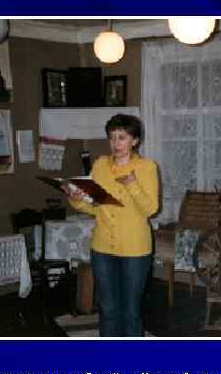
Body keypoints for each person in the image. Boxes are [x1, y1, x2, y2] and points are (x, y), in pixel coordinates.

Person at [63, 114, 159, 337]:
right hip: (102, 248)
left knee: (131, 310)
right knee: (107, 309)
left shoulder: (146, 167)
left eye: (121, 137)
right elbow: (95, 207)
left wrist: (133, 185)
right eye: (112, 137)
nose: (116, 143)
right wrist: (76, 198)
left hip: (135, 250)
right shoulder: (100, 166)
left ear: (134, 141)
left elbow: (151, 209)